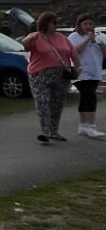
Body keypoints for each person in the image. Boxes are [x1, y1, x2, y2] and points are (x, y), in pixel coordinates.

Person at [21, 11, 81, 143]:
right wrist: (30, 38)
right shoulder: (36, 36)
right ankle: (46, 132)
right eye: (54, 22)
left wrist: (78, 67)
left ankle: (54, 131)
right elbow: (23, 45)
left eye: (57, 22)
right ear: (45, 23)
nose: (56, 25)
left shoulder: (61, 37)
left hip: (61, 76)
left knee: (57, 104)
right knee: (43, 102)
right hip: (39, 75)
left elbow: (73, 53)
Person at [68, 15, 105, 138]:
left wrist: (101, 46)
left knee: (85, 98)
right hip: (81, 73)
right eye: (85, 24)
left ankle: (83, 126)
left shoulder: (99, 37)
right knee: (90, 97)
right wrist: (87, 39)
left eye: (90, 23)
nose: (88, 26)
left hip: (95, 72)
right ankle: (91, 127)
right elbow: (74, 51)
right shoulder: (74, 36)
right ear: (79, 25)